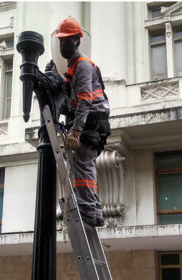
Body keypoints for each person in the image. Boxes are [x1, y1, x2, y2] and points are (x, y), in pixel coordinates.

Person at [49, 17, 111, 227]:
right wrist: (57, 78)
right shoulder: (74, 66)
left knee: (82, 165)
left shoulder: (82, 65)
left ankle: (87, 211)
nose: (62, 45)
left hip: (91, 121)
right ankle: (95, 211)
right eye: (61, 41)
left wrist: (75, 131)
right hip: (92, 121)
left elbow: (85, 100)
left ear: (76, 40)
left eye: (66, 41)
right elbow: (71, 100)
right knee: (84, 166)